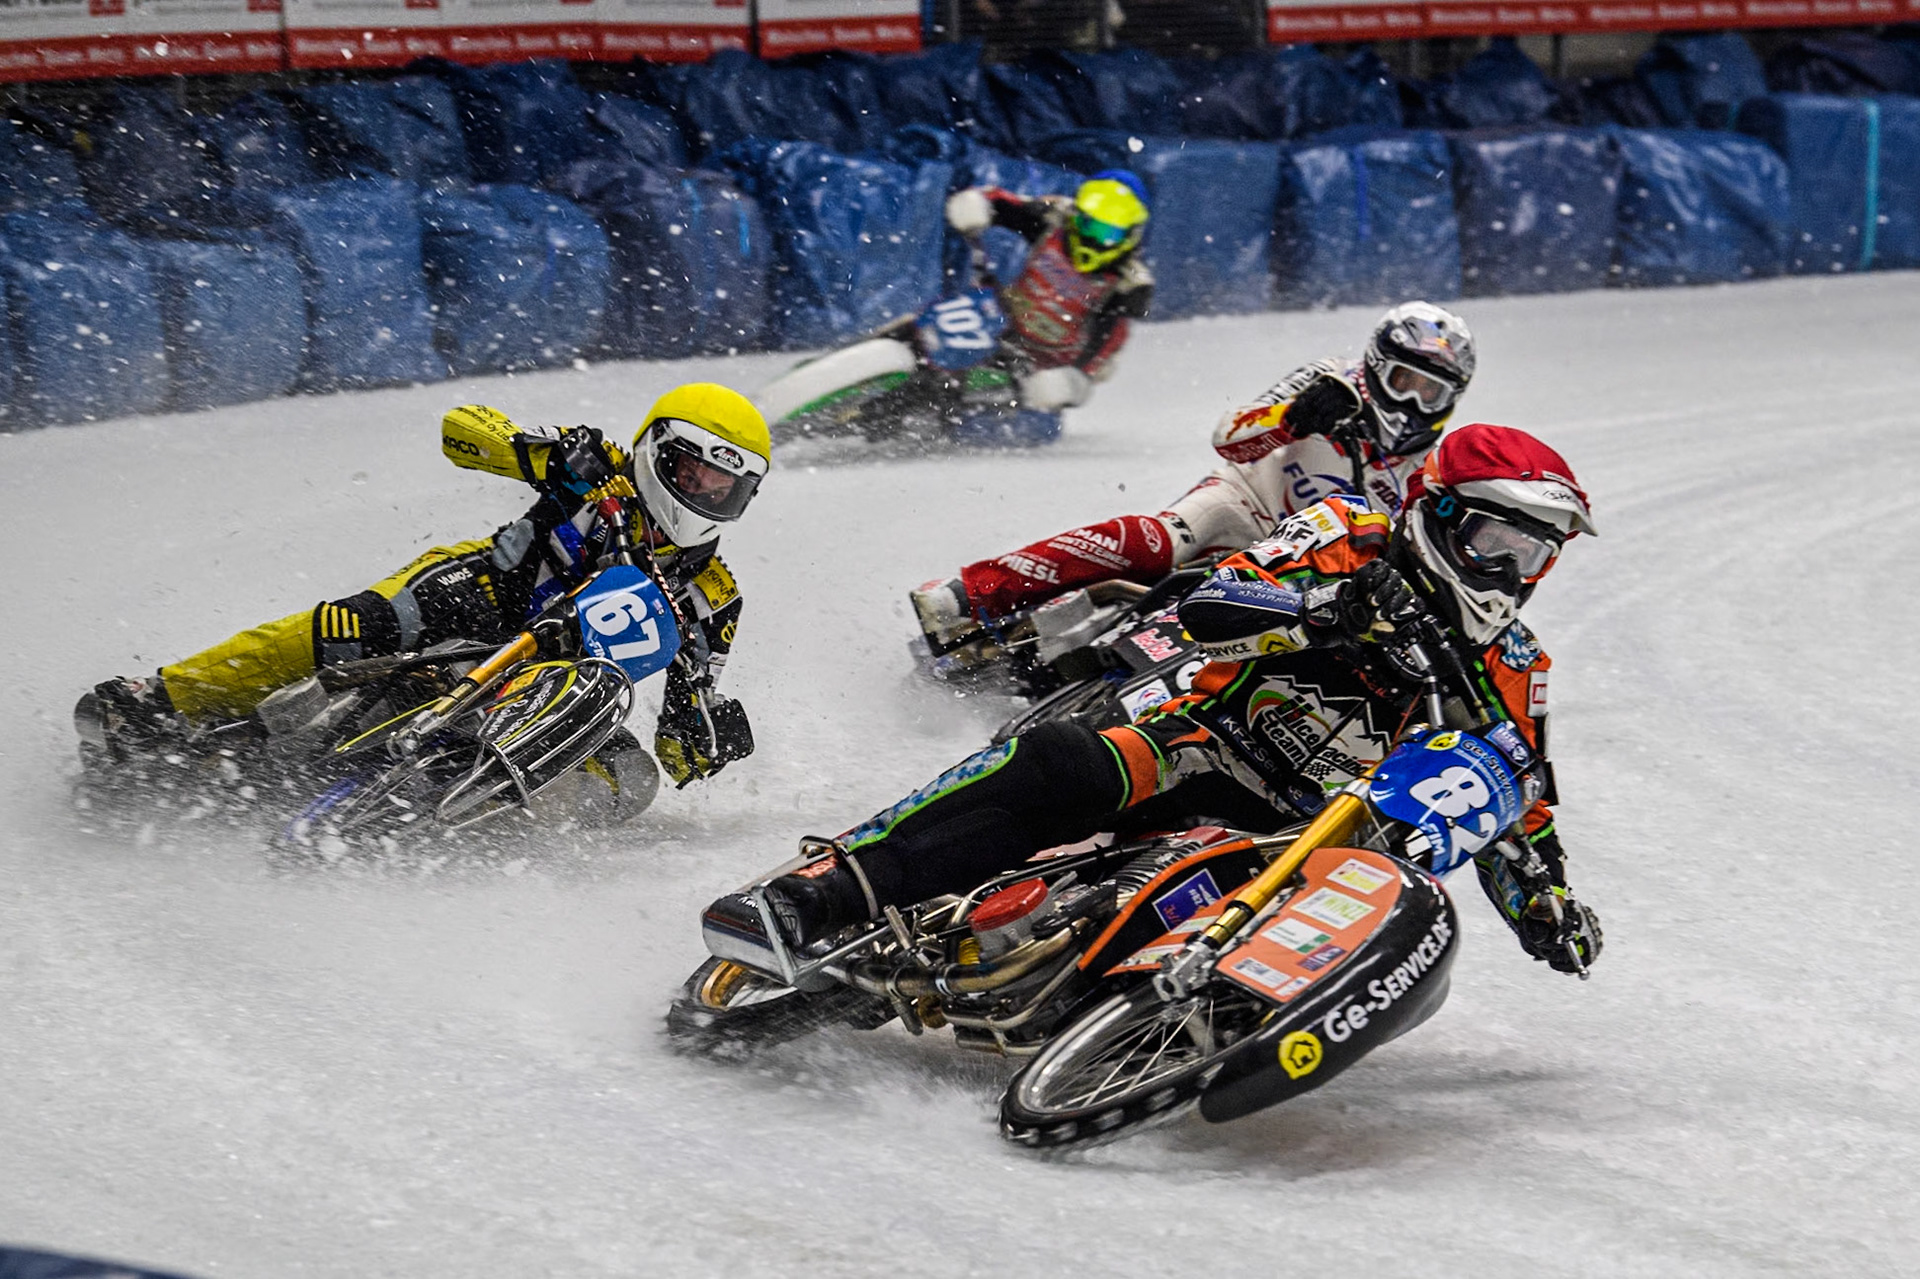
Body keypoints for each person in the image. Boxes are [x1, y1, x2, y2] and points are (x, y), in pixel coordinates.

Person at [751, 422, 1601, 974]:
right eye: (1496, 540)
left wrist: (1547, 907)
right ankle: (832, 886)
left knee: (1384, 908)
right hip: (1198, 741)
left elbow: (1516, 803)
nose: (1510, 573)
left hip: (1302, 836)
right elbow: (1209, 605)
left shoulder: (1515, 666)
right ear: (1444, 516)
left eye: (1533, 555)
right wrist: (1323, 611)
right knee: (1056, 761)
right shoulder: (1349, 534)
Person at [75, 382, 771, 810]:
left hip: (558, 684)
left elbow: (685, 741)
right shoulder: (600, 465)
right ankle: (165, 696)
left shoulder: (716, 596)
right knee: (350, 624)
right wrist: (544, 456)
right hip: (479, 595)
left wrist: (705, 738)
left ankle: (492, 832)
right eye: (693, 470)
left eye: (724, 486)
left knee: (632, 782)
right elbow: (463, 430)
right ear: (655, 450)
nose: (704, 493)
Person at [910, 301, 1476, 654]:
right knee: (1155, 539)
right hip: (1244, 503)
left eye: (1432, 391)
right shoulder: (1327, 382)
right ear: (1377, 366)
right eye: (1405, 379)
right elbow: (1229, 435)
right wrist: (1295, 416)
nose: (1413, 401)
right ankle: (972, 594)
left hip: (1305, 565)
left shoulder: (1427, 471)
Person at [943, 169, 1154, 415]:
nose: (1094, 240)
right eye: (1088, 225)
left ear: (1130, 236)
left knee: (982, 391)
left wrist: (1072, 381)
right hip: (998, 325)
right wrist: (978, 205)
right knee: (933, 334)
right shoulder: (1055, 220)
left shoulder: (1126, 285)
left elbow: (1105, 343)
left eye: (1108, 233)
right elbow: (1009, 206)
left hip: (1039, 371)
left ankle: (943, 413)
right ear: (1078, 214)